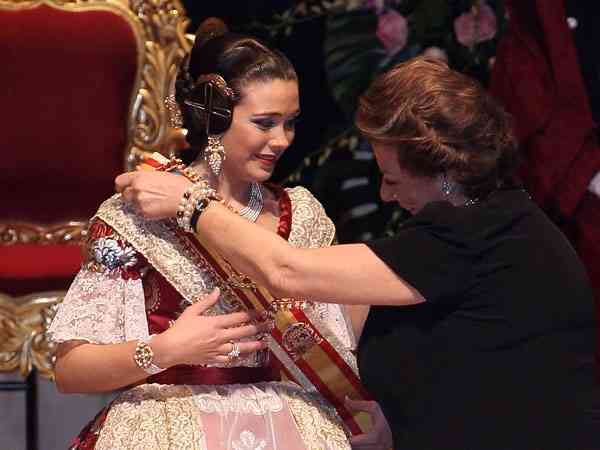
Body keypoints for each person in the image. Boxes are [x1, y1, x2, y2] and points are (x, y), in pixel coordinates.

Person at [117, 56, 600, 449]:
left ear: (442, 171)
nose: (386, 195)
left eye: (391, 178)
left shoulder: (473, 234)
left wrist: (190, 203)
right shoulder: (494, 218)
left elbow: (286, 270)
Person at [48, 21, 368, 450]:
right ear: (214, 118)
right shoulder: (137, 214)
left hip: (290, 424)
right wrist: (164, 350)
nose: (282, 140)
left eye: (290, 123)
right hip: (167, 426)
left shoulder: (302, 214)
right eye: (264, 123)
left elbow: (335, 351)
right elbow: (70, 371)